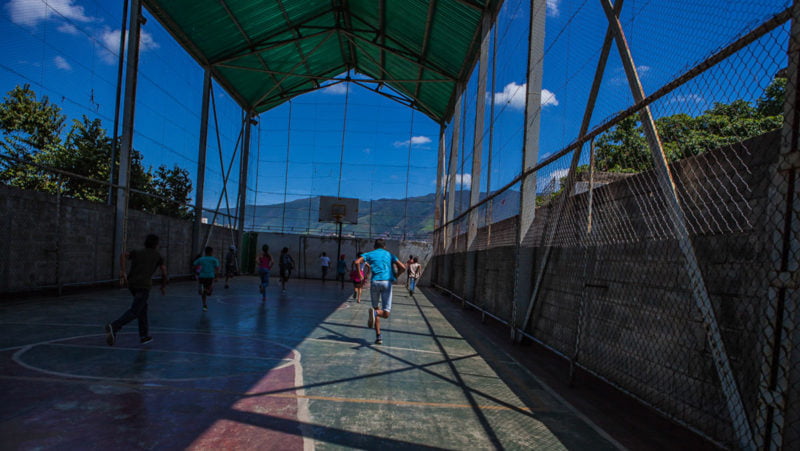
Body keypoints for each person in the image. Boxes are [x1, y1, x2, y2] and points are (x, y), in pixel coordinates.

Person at [105, 234, 167, 346]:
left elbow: (123, 255)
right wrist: (163, 286)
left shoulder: (137, 252)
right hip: (144, 286)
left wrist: (123, 271)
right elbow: (164, 272)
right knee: (135, 310)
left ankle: (144, 336)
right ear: (156, 244)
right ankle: (114, 326)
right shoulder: (158, 256)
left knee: (143, 308)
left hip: (132, 284)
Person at [354, 239, 406, 345]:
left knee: (376, 309)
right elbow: (403, 267)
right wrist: (396, 275)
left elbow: (357, 262)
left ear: (374, 246)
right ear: (384, 247)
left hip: (375, 283)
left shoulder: (370, 254)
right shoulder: (390, 255)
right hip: (386, 283)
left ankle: (378, 336)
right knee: (386, 313)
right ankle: (377, 328)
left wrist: (360, 274)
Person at [193, 246, 220, 312]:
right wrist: (217, 277)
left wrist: (197, 272)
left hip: (202, 276)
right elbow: (217, 269)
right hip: (210, 276)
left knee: (204, 294)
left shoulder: (201, 259)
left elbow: (194, 264)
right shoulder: (214, 259)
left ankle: (204, 304)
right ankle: (205, 290)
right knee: (209, 292)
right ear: (211, 252)